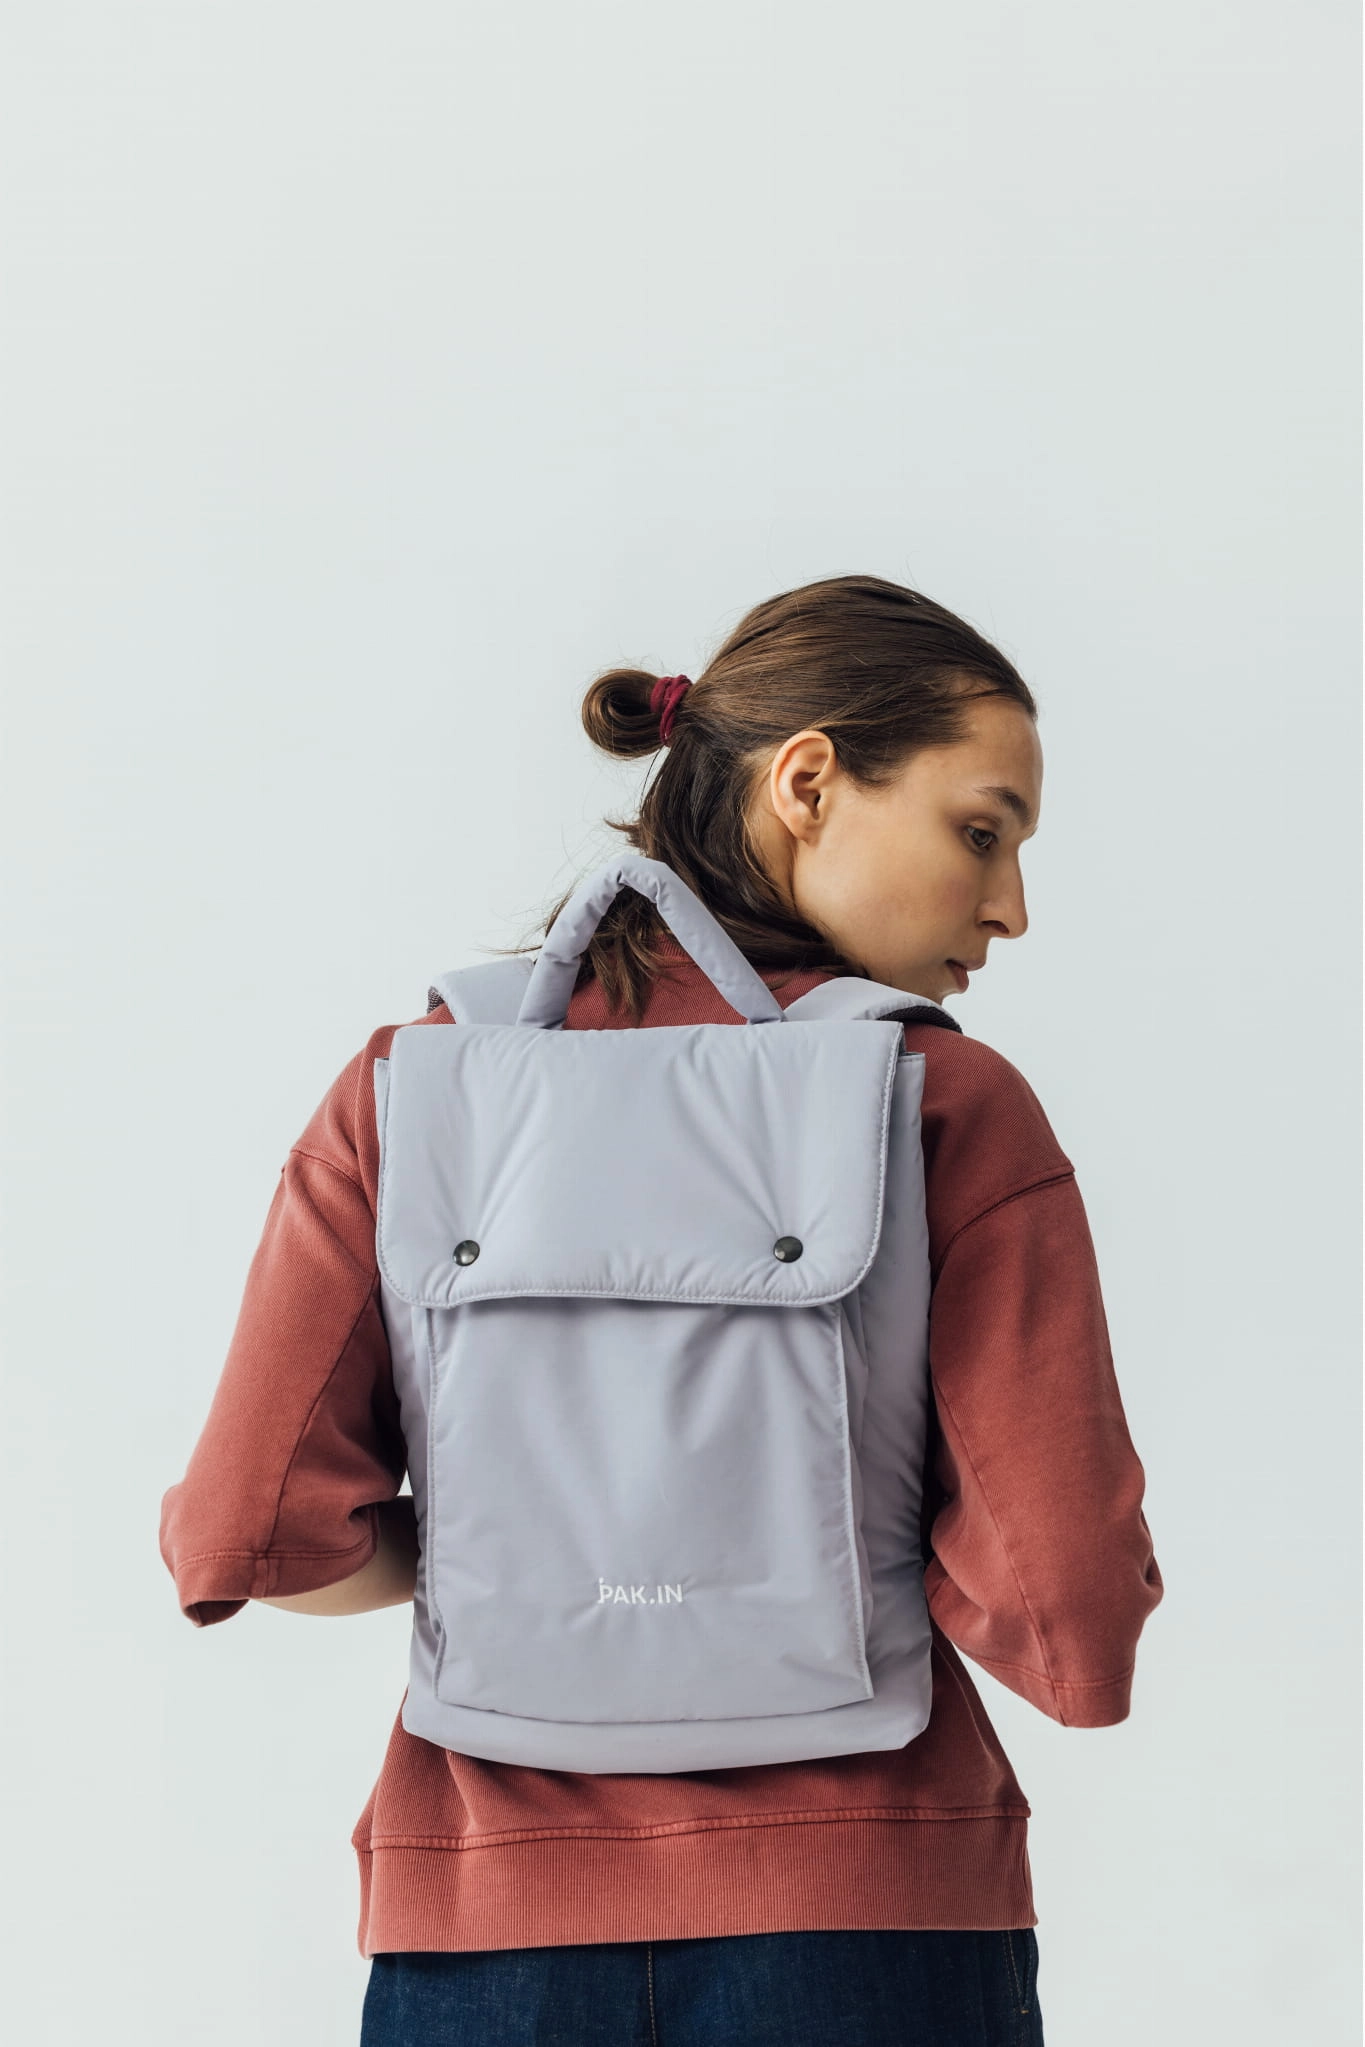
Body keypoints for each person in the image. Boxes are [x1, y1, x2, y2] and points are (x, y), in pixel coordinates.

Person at [159, 572, 1163, 2046]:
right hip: (863, 1925)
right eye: (979, 829)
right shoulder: (941, 1100)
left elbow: (242, 1532)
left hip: (483, 1939)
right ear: (808, 782)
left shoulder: (410, 1088)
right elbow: (1068, 1611)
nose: (1009, 905)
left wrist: (528, 1563)